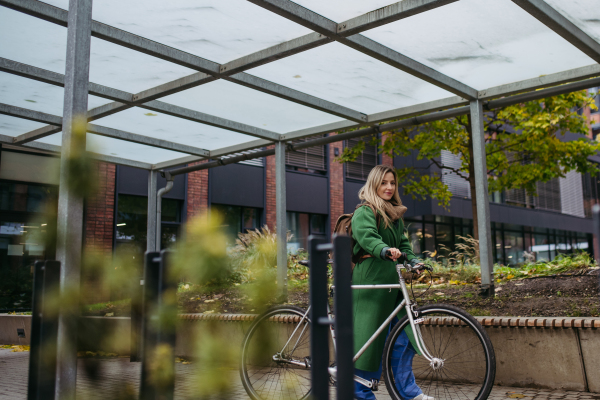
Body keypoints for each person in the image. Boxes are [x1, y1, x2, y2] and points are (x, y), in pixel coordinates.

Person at [351, 165, 433, 400]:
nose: (389, 187)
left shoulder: (394, 215)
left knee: (404, 337)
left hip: (392, 284)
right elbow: (367, 237)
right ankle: (361, 395)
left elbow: (404, 245)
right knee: (368, 342)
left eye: (392, 183)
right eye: (384, 182)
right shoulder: (365, 211)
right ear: (374, 183)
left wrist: (415, 261)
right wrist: (385, 250)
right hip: (371, 282)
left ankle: (407, 392)